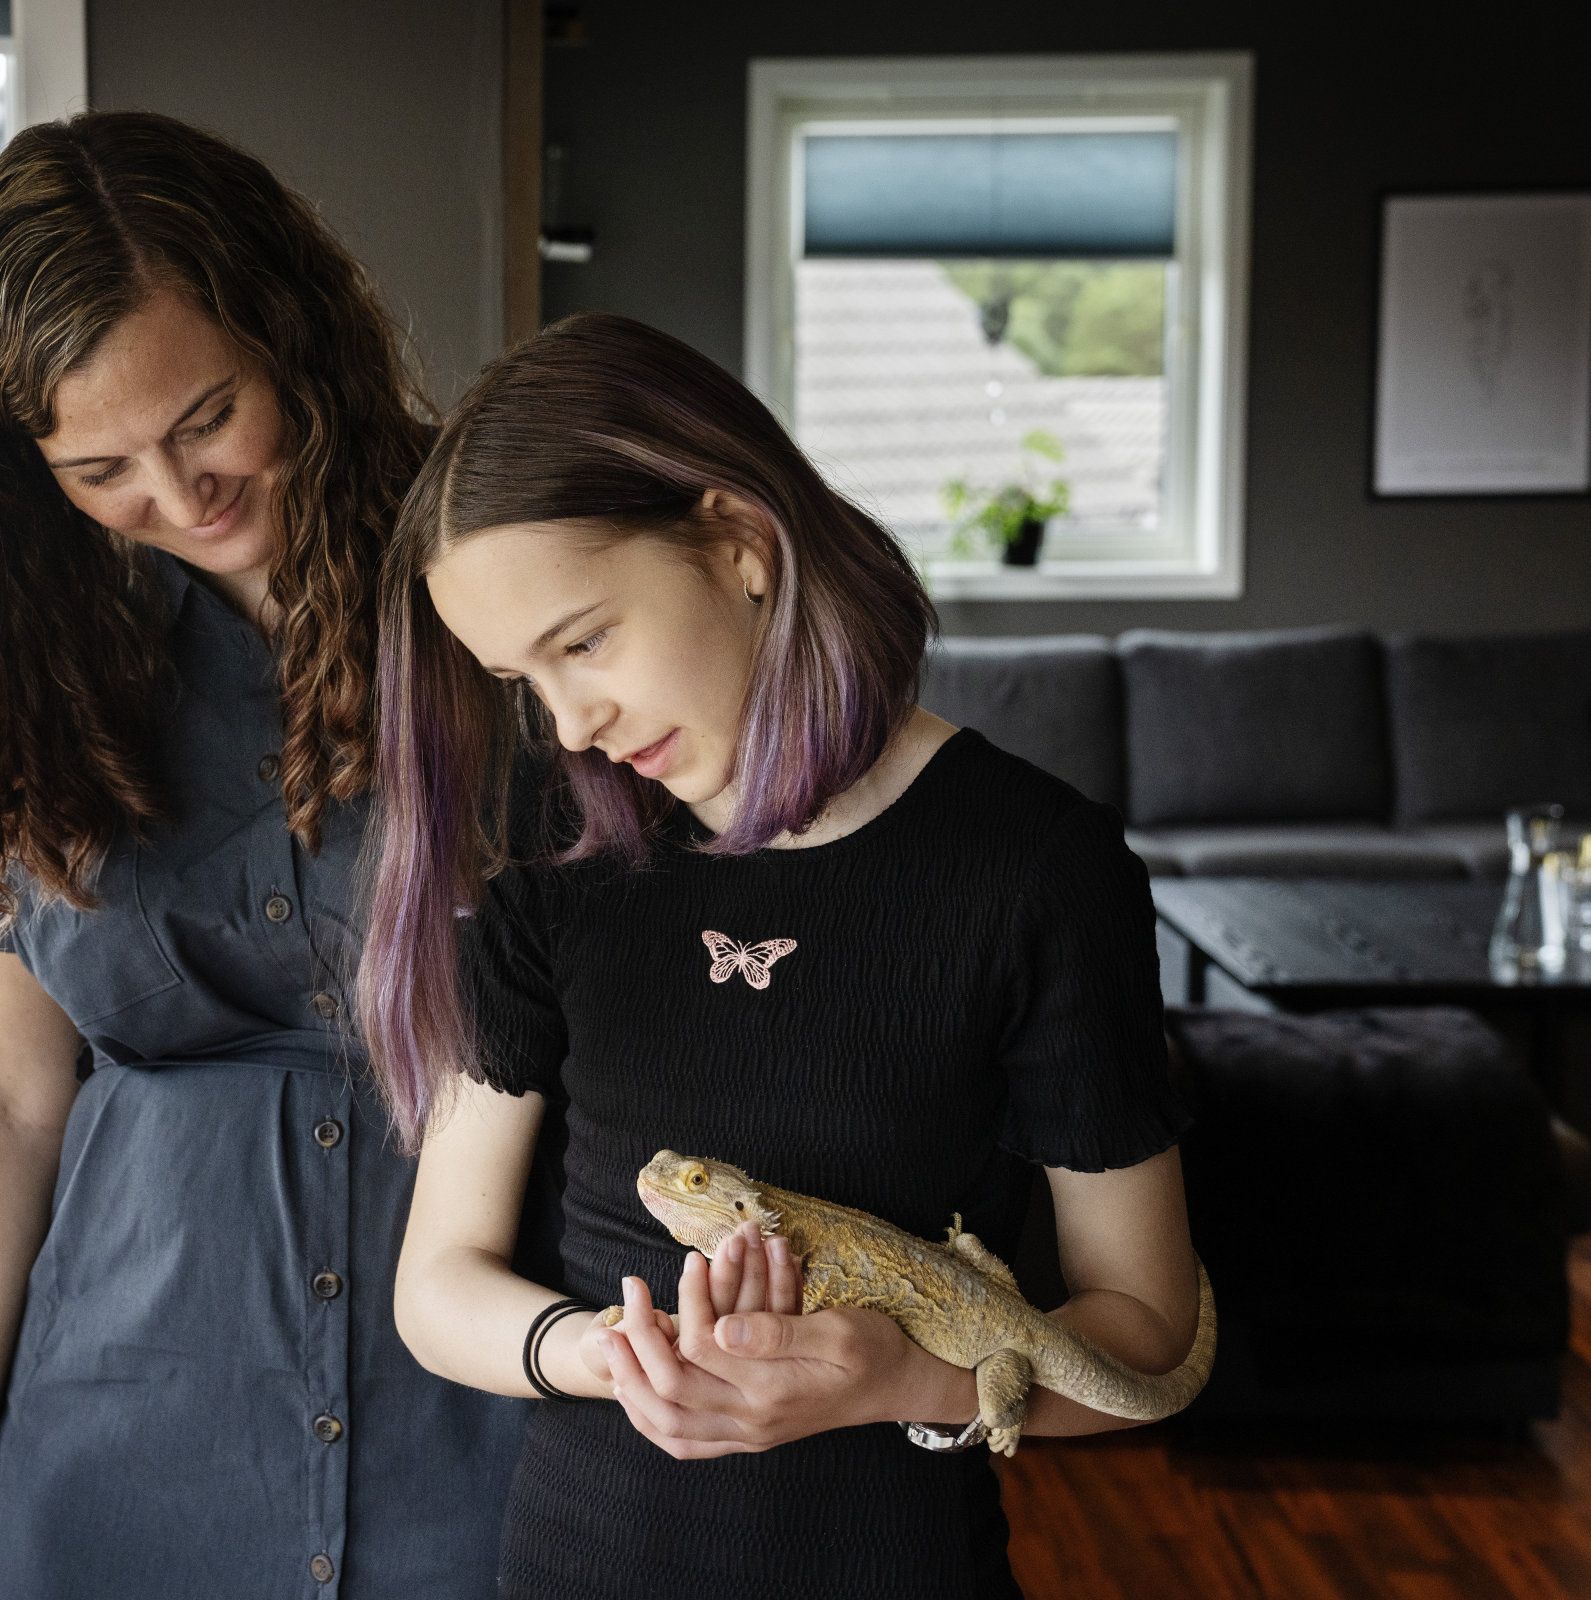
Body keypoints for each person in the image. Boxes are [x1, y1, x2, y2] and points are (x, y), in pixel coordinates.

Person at [360, 312, 1205, 1599]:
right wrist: (618, 1355)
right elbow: (440, 1281)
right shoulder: (552, 847)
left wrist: (904, 1378)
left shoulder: (1039, 870)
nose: (571, 724)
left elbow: (1146, 1338)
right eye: (522, 679)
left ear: (741, 543)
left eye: (584, 640)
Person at [0, 111, 528, 1599]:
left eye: (207, 418)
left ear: (290, 330)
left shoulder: (516, 577)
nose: (177, 498)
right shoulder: (32, 679)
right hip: (125, 1446)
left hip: (492, 1433)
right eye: (100, 467)